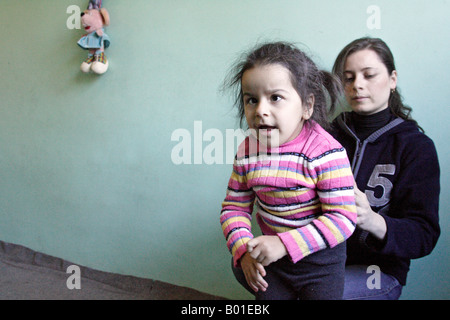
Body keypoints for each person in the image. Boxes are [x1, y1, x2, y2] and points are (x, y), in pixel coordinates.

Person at [220, 42, 357, 300]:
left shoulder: (325, 151)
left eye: (275, 98)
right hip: (274, 263)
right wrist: (243, 251)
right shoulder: (247, 151)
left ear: (307, 106)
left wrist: (284, 244)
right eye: (251, 100)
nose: (261, 110)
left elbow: (342, 218)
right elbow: (233, 208)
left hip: (320, 265)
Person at [330, 37, 440, 300]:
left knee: (319, 293)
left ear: (392, 79)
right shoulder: (328, 134)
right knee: (257, 269)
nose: (357, 85)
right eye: (348, 78)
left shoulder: (415, 146)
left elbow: (424, 235)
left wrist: (371, 220)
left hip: (377, 271)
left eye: (369, 75)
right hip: (323, 260)